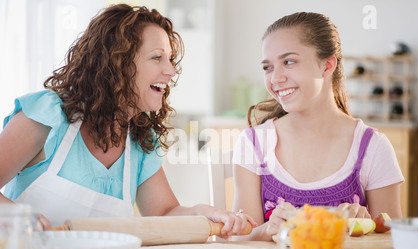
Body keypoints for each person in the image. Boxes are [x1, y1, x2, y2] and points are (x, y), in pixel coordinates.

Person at [0, 4, 255, 235]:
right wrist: (18, 219)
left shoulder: (141, 141)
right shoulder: (48, 114)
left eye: (170, 59)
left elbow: (163, 215)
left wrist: (201, 211)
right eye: (157, 57)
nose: (171, 71)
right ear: (117, 63)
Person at [231, 12, 403, 241]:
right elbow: (240, 239)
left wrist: (368, 224)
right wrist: (266, 230)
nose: (275, 78)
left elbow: (393, 241)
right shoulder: (253, 143)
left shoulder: (372, 147)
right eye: (268, 67)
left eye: (289, 62)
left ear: (327, 65)